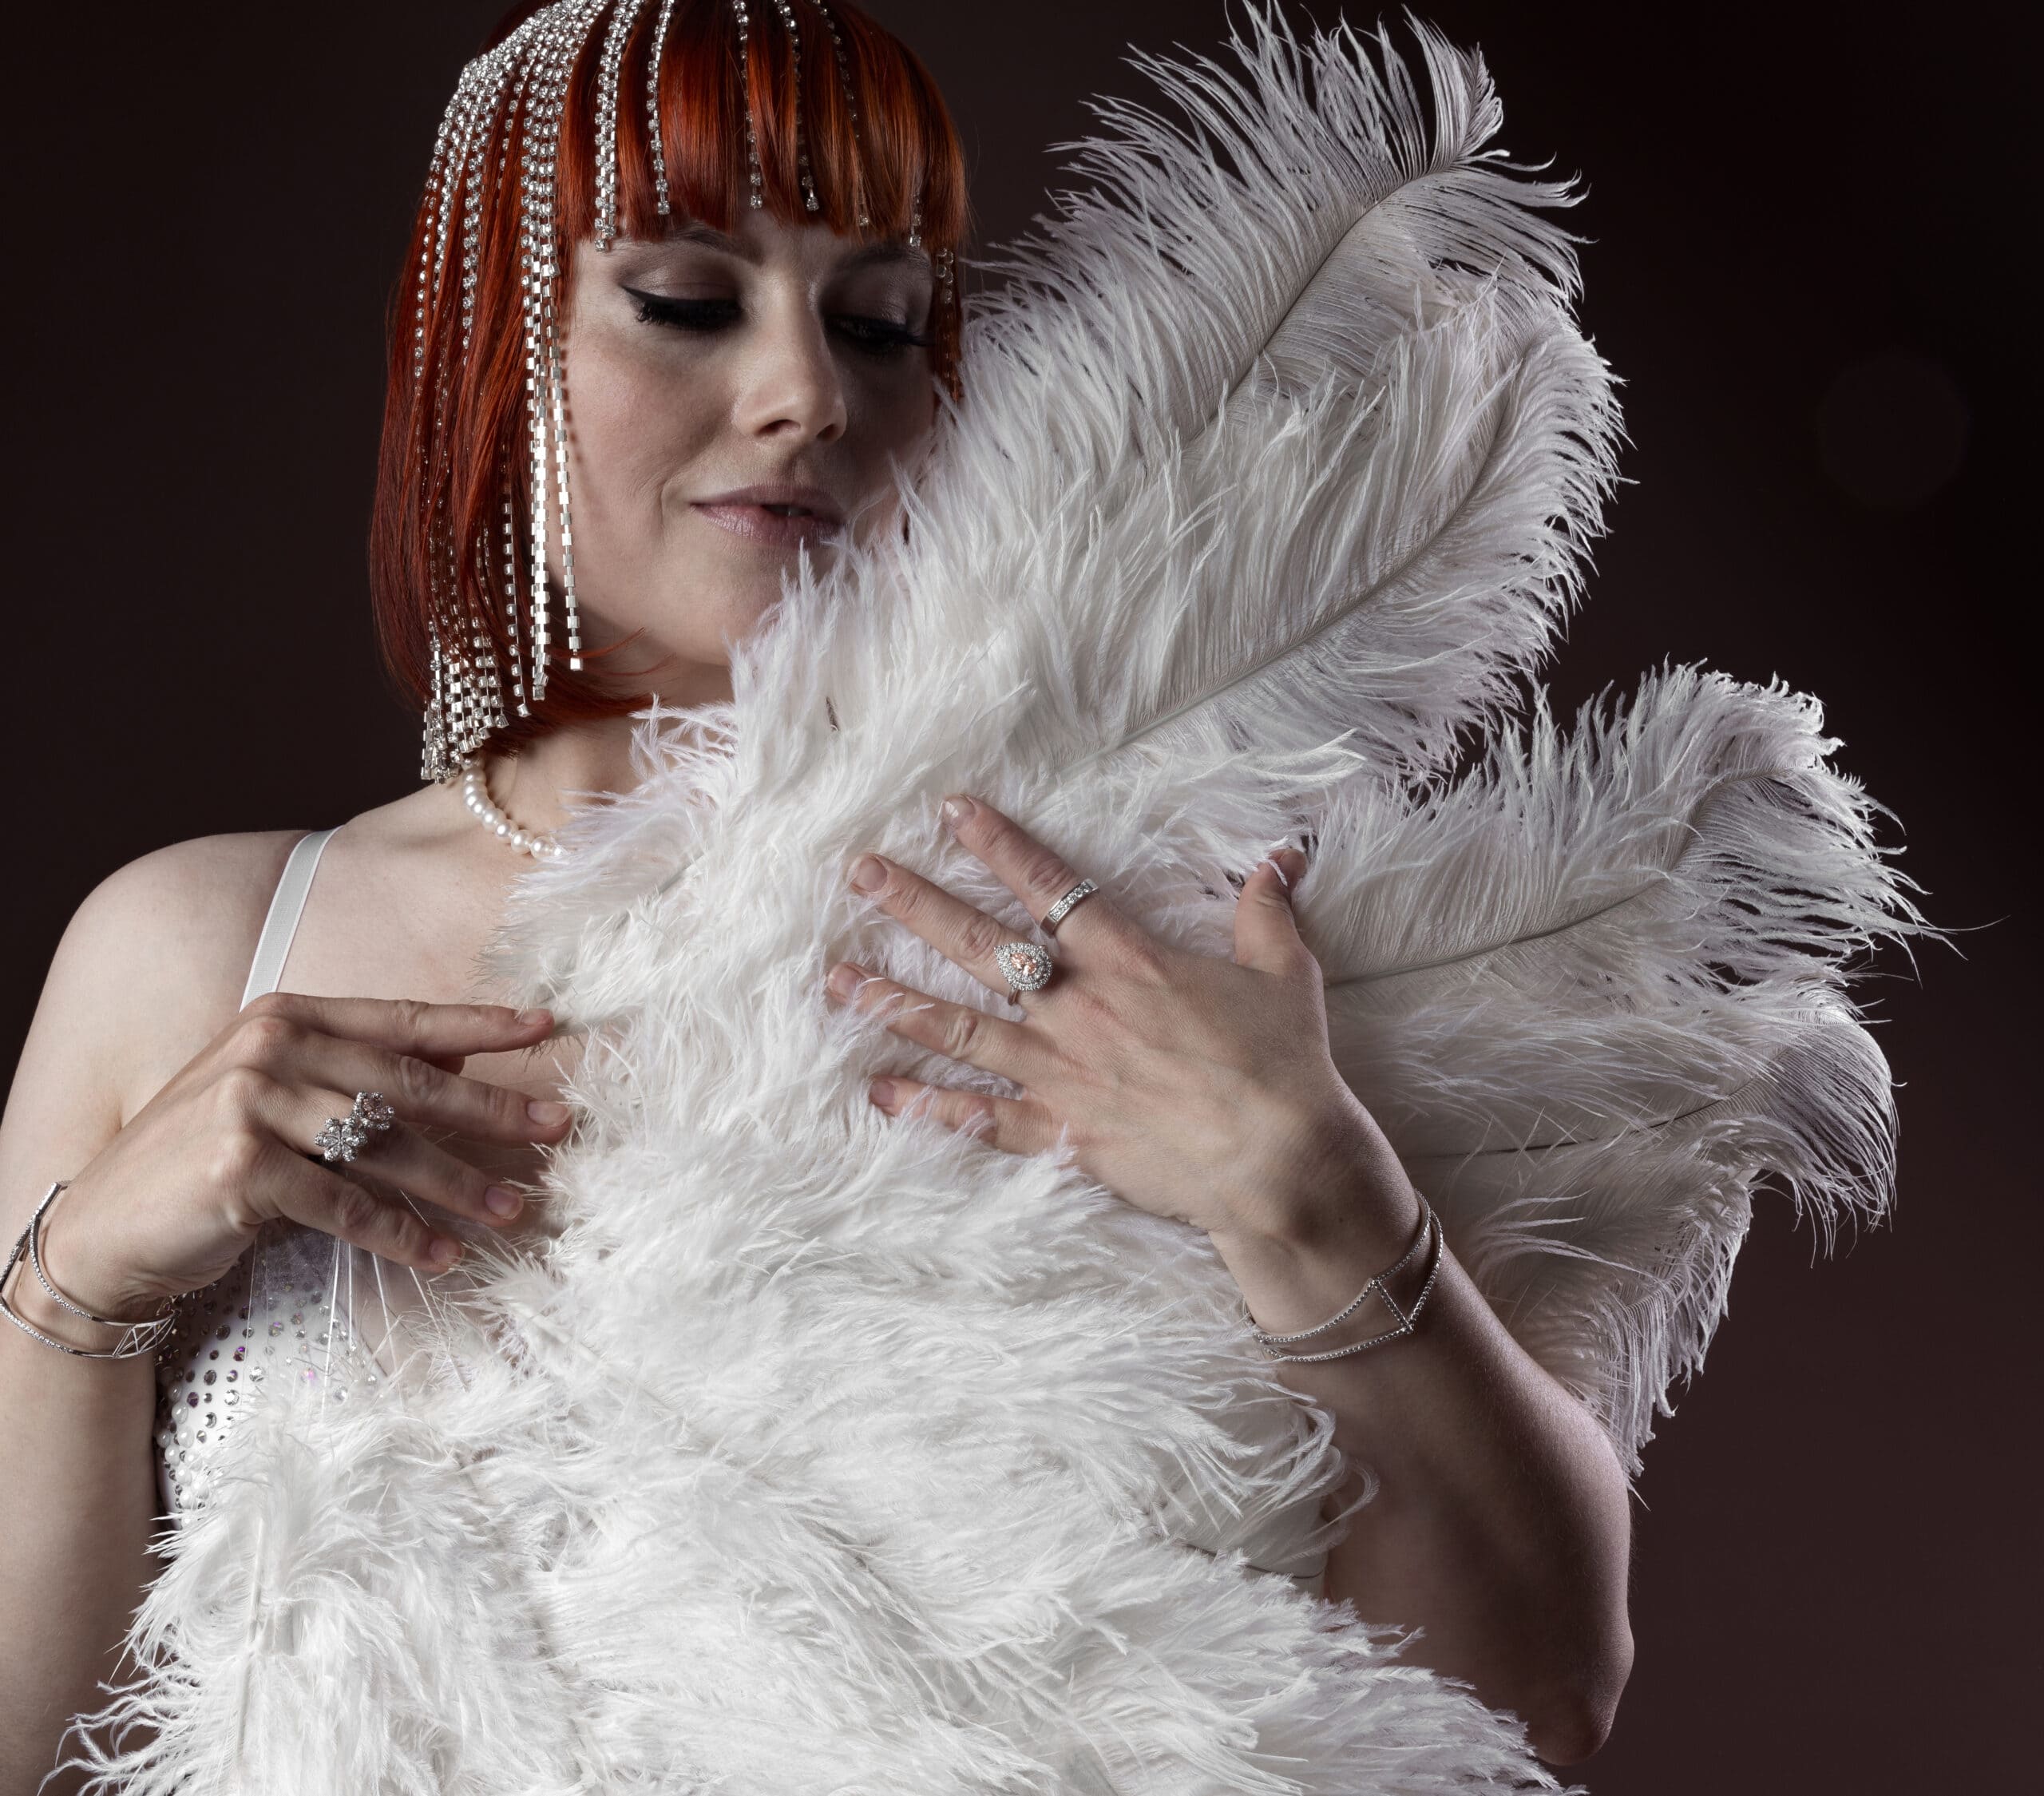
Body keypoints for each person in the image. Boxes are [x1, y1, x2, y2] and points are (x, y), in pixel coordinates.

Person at [0, 2, 1633, 1786]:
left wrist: (1316, 1200)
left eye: (880, 324)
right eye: (687, 301)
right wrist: (76, 1292)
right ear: (491, 349)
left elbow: (1531, 1710)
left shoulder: (1111, 934)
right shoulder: (195, 949)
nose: (810, 393)